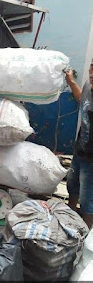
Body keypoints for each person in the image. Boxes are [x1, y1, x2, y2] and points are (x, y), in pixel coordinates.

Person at [65, 60, 93, 229]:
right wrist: (71, 82)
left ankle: (85, 237)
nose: (92, 72)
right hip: (79, 149)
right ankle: (68, 219)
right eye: (92, 66)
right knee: (72, 185)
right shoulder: (89, 85)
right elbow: (81, 99)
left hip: (92, 159)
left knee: (87, 199)